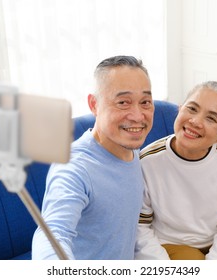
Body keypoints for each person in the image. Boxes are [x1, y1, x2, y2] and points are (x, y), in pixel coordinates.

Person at [31, 55, 154, 260]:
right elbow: (53, 232)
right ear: (94, 104)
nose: (138, 115)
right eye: (123, 102)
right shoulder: (74, 168)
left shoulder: (134, 151)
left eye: (145, 102)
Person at [135, 81, 217, 260]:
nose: (195, 122)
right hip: (169, 243)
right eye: (192, 109)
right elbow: (140, 226)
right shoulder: (148, 161)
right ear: (179, 109)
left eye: (211, 118)